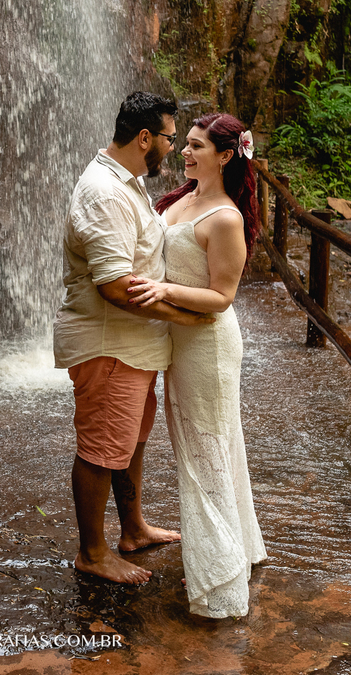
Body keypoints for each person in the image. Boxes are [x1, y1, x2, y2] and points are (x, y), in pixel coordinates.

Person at [53, 92, 215, 585]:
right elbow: (115, 285)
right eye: (169, 138)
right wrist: (183, 315)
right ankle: (92, 552)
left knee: (129, 441)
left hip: (134, 346)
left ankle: (133, 529)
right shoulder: (105, 192)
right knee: (101, 448)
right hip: (111, 346)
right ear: (145, 137)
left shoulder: (127, 180)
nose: (174, 148)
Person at [126, 112, 267, 616]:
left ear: (226, 156)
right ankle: (234, 549)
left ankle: (220, 575)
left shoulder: (226, 218)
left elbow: (222, 296)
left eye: (196, 146)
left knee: (206, 449)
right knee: (206, 445)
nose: (183, 152)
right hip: (180, 338)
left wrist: (163, 290)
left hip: (208, 346)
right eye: (184, 143)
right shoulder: (182, 199)